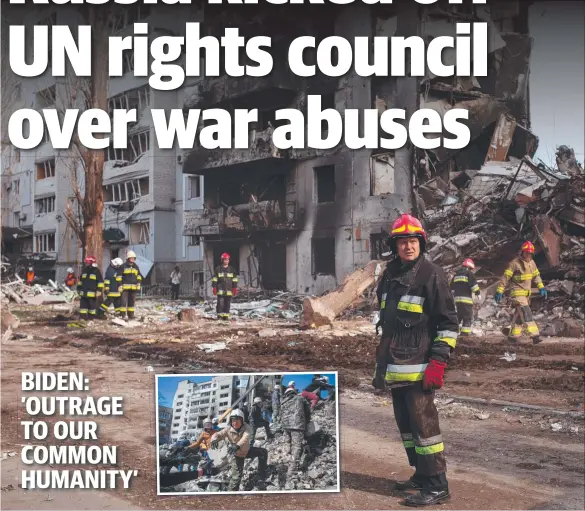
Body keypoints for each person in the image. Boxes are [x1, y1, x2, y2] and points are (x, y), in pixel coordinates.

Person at [373, 213, 458, 507]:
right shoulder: (390, 276)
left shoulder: (430, 275)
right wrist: (380, 367)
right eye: (402, 242)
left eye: (412, 241)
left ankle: (437, 485)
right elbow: (388, 326)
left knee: (425, 428)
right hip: (396, 367)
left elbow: (448, 324)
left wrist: (438, 363)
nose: (407, 247)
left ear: (421, 242)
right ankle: (422, 476)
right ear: (394, 246)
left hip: (420, 369)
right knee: (407, 426)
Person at [495, 241, 546, 344]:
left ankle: (513, 337)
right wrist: (499, 291)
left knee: (519, 315)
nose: (529, 255)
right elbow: (506, 278)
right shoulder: (514, 263)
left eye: (530, 253)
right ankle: (535, 336)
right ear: (522, 252)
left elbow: (536, 276)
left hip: (526, 294)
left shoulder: (532, 263)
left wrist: (541, 287)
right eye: (527, 252)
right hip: (517, 293)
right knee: (526, 312)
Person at [210, 409, 268, 491]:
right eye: (233, 420)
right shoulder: (228, 430)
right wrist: (214, 439)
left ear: (242, 420)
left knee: (263, 452)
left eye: (238, 420)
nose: (235, 422)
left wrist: (237, 445)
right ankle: (231, 496)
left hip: (247, 451)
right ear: (231, 421)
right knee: (236, 478)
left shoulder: (247, 427)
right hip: (237, 455)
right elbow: (218, 434)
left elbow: (246, 437)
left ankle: (261, 474)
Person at [280, 386, 311, 478]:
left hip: (285, 426)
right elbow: (308, 410)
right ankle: (292, 469)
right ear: (294, 392)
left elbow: (280, 414)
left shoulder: (283, 402)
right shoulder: (300, 398)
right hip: (297, 426)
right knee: (296, 447)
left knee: (287, 443)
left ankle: (285, 461)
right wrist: (307, 421)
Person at [449, 258, 481, 337]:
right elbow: (474, 285)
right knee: (467, 316)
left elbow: (451, 287)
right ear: (469, 268)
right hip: (466, 300)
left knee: (459, 316)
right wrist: (478, 293)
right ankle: (464, 334)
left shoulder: (456, 275)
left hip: (457, 300)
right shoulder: (469, 274)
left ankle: (452, 331)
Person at [212, 253, 238, 320]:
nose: (226, 261)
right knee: (220, 304)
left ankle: (226, 316)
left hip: (229, 290)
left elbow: (234, 279)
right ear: (222, 260)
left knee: (227, 304)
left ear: (229, 260)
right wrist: (214, 287)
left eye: (227, 260)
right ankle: (220, 316)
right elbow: (214, 279)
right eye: (224, 260)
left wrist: (234, 288)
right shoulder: (218, 269)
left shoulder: (232, 269)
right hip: (220, 290)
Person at [120, 250, 143, 320]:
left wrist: (138, 283)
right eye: (131, 258)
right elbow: (119, 277)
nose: (133, 259)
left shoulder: (136, 266)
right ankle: (123, 315)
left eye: (134, 258)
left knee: (131, 302)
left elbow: (139, 276)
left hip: (133, 288)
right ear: (128, 258)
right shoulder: (123, 266)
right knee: (123, 302)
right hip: (125, 288)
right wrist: (120, 285)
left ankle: (131, 315)